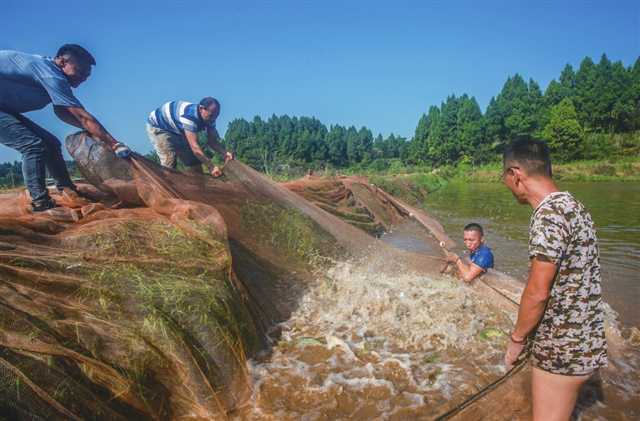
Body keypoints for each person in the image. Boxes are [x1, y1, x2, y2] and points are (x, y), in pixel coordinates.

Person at [502, 136, 606, 421]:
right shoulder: (574, 206)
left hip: (561, 350)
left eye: (504, 177)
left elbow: (537, 292)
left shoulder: (547, 216)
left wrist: (517, 340)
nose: (506, 185)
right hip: (587, 343)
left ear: (516, 174)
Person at [0, 45, 131, 212]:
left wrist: (95, 132)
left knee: (51, 143)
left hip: (4, 108)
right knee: (32, 145)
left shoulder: (52, 76)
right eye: (81, 71)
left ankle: (67, 190)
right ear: (62, 62)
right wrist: (114, 144)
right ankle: (40, 202)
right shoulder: (51, 75)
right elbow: (81, 116)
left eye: (87, 75)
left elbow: (62, 111)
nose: (84, 78)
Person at [146, 97, 232, 176]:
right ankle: (163, 190)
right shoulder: (189, 117)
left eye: (216, 116)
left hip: (178, 129)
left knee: (195, 164)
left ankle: (199, 189)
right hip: (160, 127)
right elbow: (194, 146)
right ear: (201, 109)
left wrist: (224, 153)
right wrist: (211, 167)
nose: (213, 119)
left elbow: (212, 142)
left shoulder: (210, 118)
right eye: (211, 115)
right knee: (169, 163)